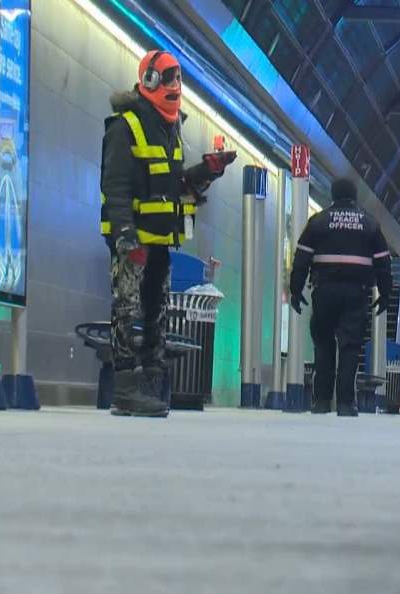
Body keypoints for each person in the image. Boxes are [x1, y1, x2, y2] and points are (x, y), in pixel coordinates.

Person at [100, 49, 235, 417]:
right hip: (134, 241)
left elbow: (172, 185)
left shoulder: (170, 129)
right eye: (169, 78)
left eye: (179, 79)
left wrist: (207, 171)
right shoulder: (125, 126)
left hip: (160, 240)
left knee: (156, 310)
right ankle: (126, 389)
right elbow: (115, 185)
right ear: (149, 81)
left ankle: (150, 384)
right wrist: (126, 235)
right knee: (127, 308)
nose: (176, 86)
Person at [288, 178, 393, 416]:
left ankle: (322, 401)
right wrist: (385, 293)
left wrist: (295, 289)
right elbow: (384, 263)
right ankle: (346, 403)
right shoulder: (370, 224)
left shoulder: (318, 222)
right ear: (355, 197)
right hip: (356, 293)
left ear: (332, 196)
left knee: (323, 345)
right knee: (350, 346)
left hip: (324, 291)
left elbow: (301, 259)